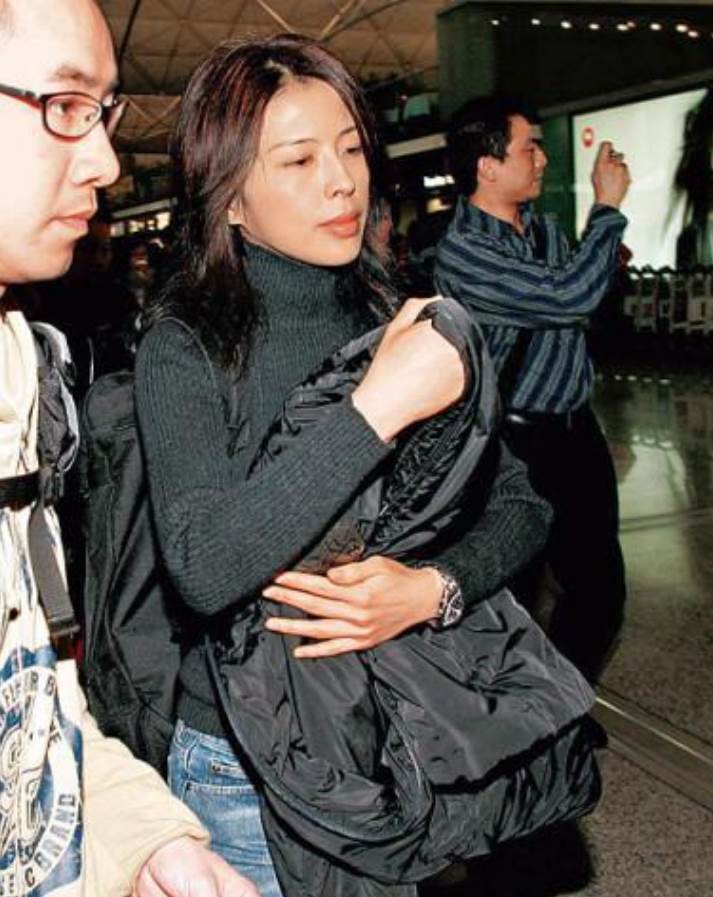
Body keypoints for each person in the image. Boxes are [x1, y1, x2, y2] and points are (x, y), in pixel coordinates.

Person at [134, 37, 552, 895]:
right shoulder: (187, 344)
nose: (341, 182)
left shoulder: (394, 314)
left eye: (352, 149)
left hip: (388, 737)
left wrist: (431, 588)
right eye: (298, 160)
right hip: (243, 772)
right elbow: (203, 564)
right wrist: (375, 409)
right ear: (230, 197)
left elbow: (520, 502)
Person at [0, 1, 261, 895]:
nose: (107, 162)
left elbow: (32, 696)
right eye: (64, 104)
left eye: (102, 112)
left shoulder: (18, 362)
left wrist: (146, 841)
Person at [434, 95, 632, 683]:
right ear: (487, 166)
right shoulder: (464, 251)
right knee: (513, 593)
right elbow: (567, 298)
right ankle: (515, 711)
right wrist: (606, 210)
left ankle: (564, 704)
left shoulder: (545, 232)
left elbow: (580, 298)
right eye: (531, 147)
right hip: (514, 446)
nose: (542, 159)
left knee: (598, 587)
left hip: (576, 432)